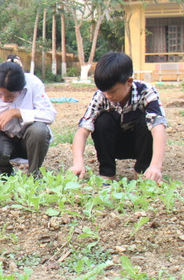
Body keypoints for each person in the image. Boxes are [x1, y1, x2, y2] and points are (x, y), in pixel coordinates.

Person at [69, 51, 167, 183]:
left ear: (129, 82)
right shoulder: (101, 96)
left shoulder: (146, 92)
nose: (108, 96)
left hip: (139, 145)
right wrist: (78, 163)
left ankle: (143, 172)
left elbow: (158, 128)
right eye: (104, 91)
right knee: (102, 121)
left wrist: (156, 166)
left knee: (147, 122)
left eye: (112, 91)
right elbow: (83, 131)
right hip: (113, 144)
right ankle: (107, 173)